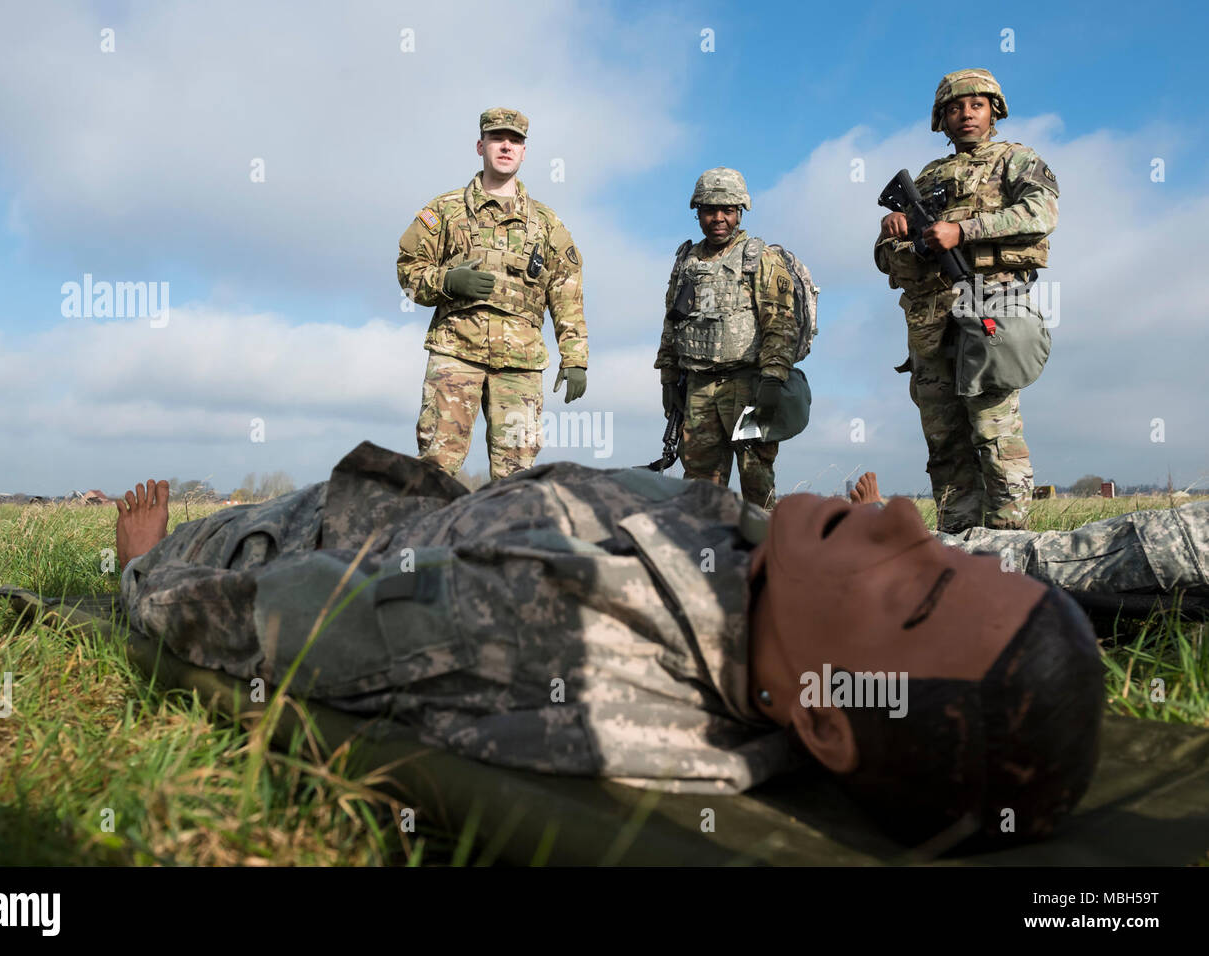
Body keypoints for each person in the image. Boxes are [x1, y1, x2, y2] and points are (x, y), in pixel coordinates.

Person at [115, 443, 1208, 849]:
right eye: (949, 549)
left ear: (824, 711)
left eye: (915, 587)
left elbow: (269, 617)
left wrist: (142, 572)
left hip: (313, 527)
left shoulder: (539, 619)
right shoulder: (775, 598)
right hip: (435, 496)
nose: (907, 524)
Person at [875, 68, 1059, 532]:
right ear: (942, 118)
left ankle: (1008, 543)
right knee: (945, 442)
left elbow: (1041, 213)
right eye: (955, 107)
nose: (966, 114)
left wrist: (963, 230)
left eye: (976, 105)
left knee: (995, 433)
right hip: (932, 321)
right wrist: (892, 234)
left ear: (994, 110)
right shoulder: (929, 176)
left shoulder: (1015, 159)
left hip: (991, 306)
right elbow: (886, 263)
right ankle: (957, 541)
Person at [397, 107, 588, 483]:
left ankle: (503, 542)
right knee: (436, 466)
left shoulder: (547, 224)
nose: (506, 146)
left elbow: (567, 291)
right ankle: (429, 540)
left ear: (524, 152)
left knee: (516, 476)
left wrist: (575, 357)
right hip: (456, 356)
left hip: (520, 364)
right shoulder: (445, 212)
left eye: (515, 140)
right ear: (480, 145)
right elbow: (408, 271)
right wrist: (447, 281)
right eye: (498, 138)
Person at [653, 168, 800, 509]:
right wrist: (668, 379)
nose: (718, 218)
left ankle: (763, 555)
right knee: (700, 486)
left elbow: (780, 323)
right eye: (709, 210)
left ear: (739, 212)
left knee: (755, 479)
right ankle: (705, 555)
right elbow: (672, 323)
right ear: (698, 212)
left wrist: (773, 379)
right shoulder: (687, 261)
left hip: (747, 384)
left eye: (727, 210)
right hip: (698, 388)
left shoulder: (759, 257)